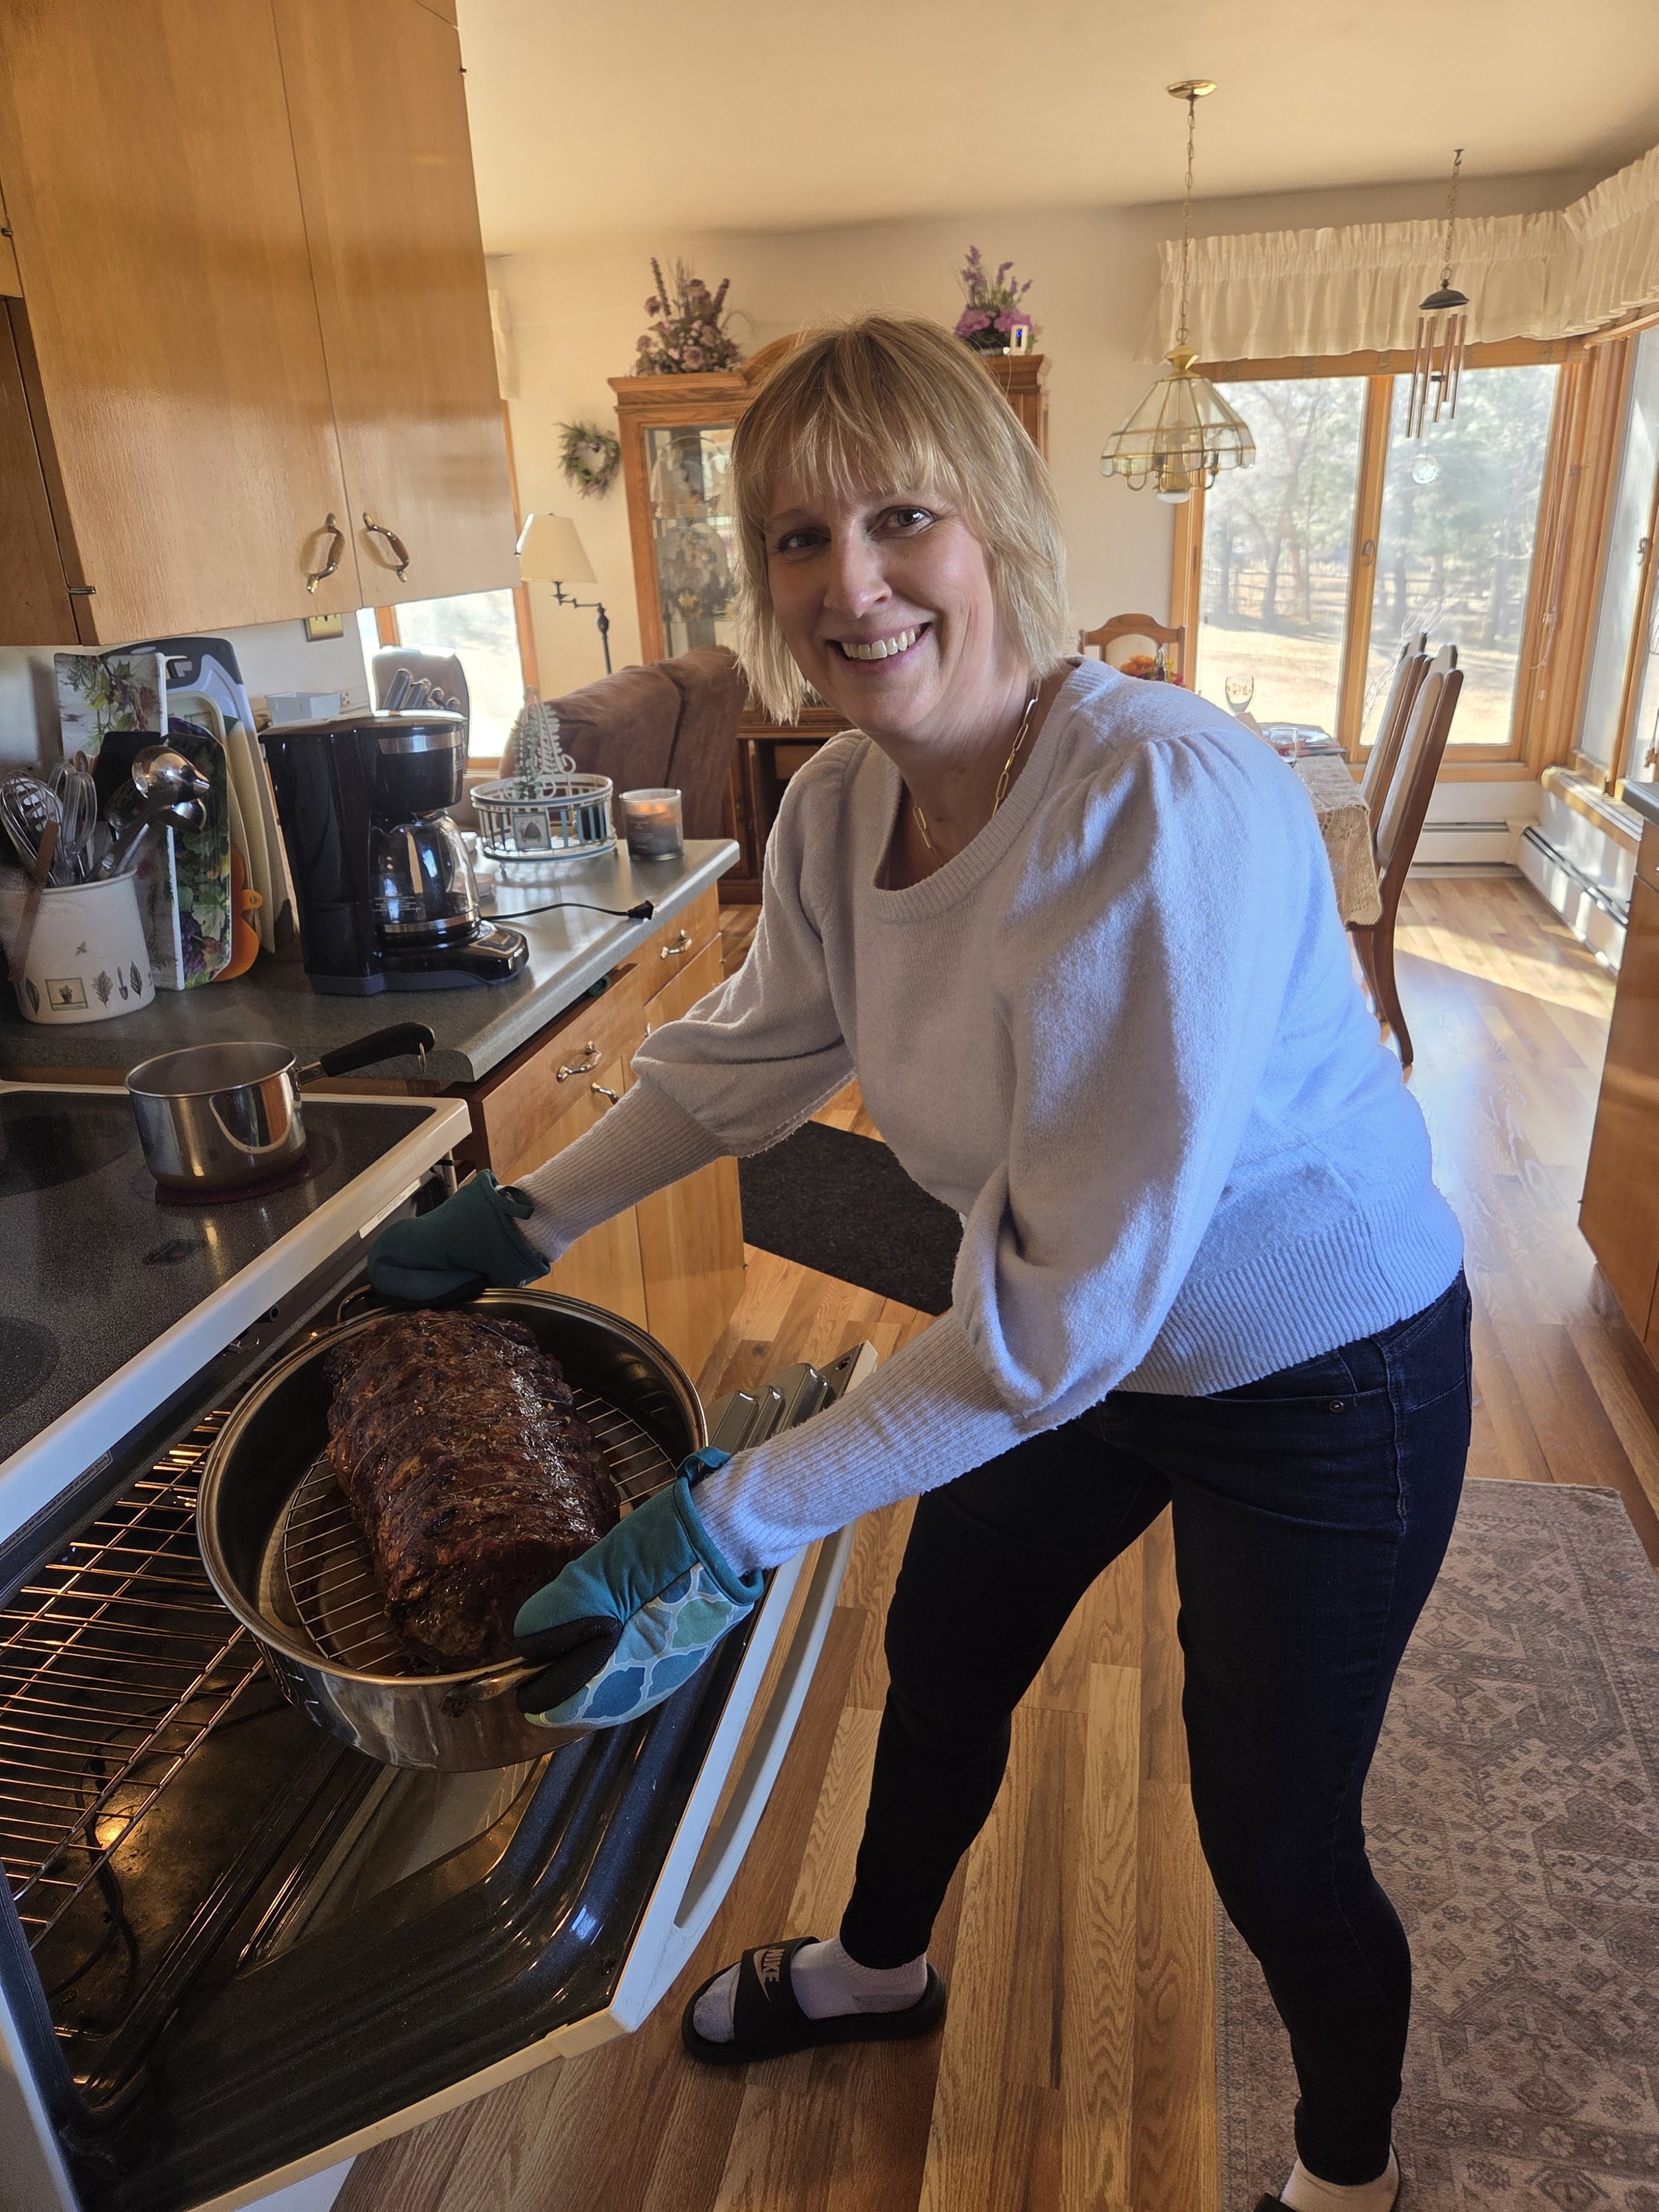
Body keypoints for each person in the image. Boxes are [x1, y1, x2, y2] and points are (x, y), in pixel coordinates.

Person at [368, 315, 1469, 2212]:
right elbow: (752, 1061)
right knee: (947, 1649)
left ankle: (1347, 2172)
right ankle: (879, 1966)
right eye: (799, 540)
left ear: (1000, 532)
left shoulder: (1152, 807)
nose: (850, 587)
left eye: (901, 522)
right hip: (1078, 1336)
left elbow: (1057, 1321)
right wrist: (528, 1210)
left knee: (1276, 1828)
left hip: (1318, 1368)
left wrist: (734, 1519)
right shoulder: (840, 804)